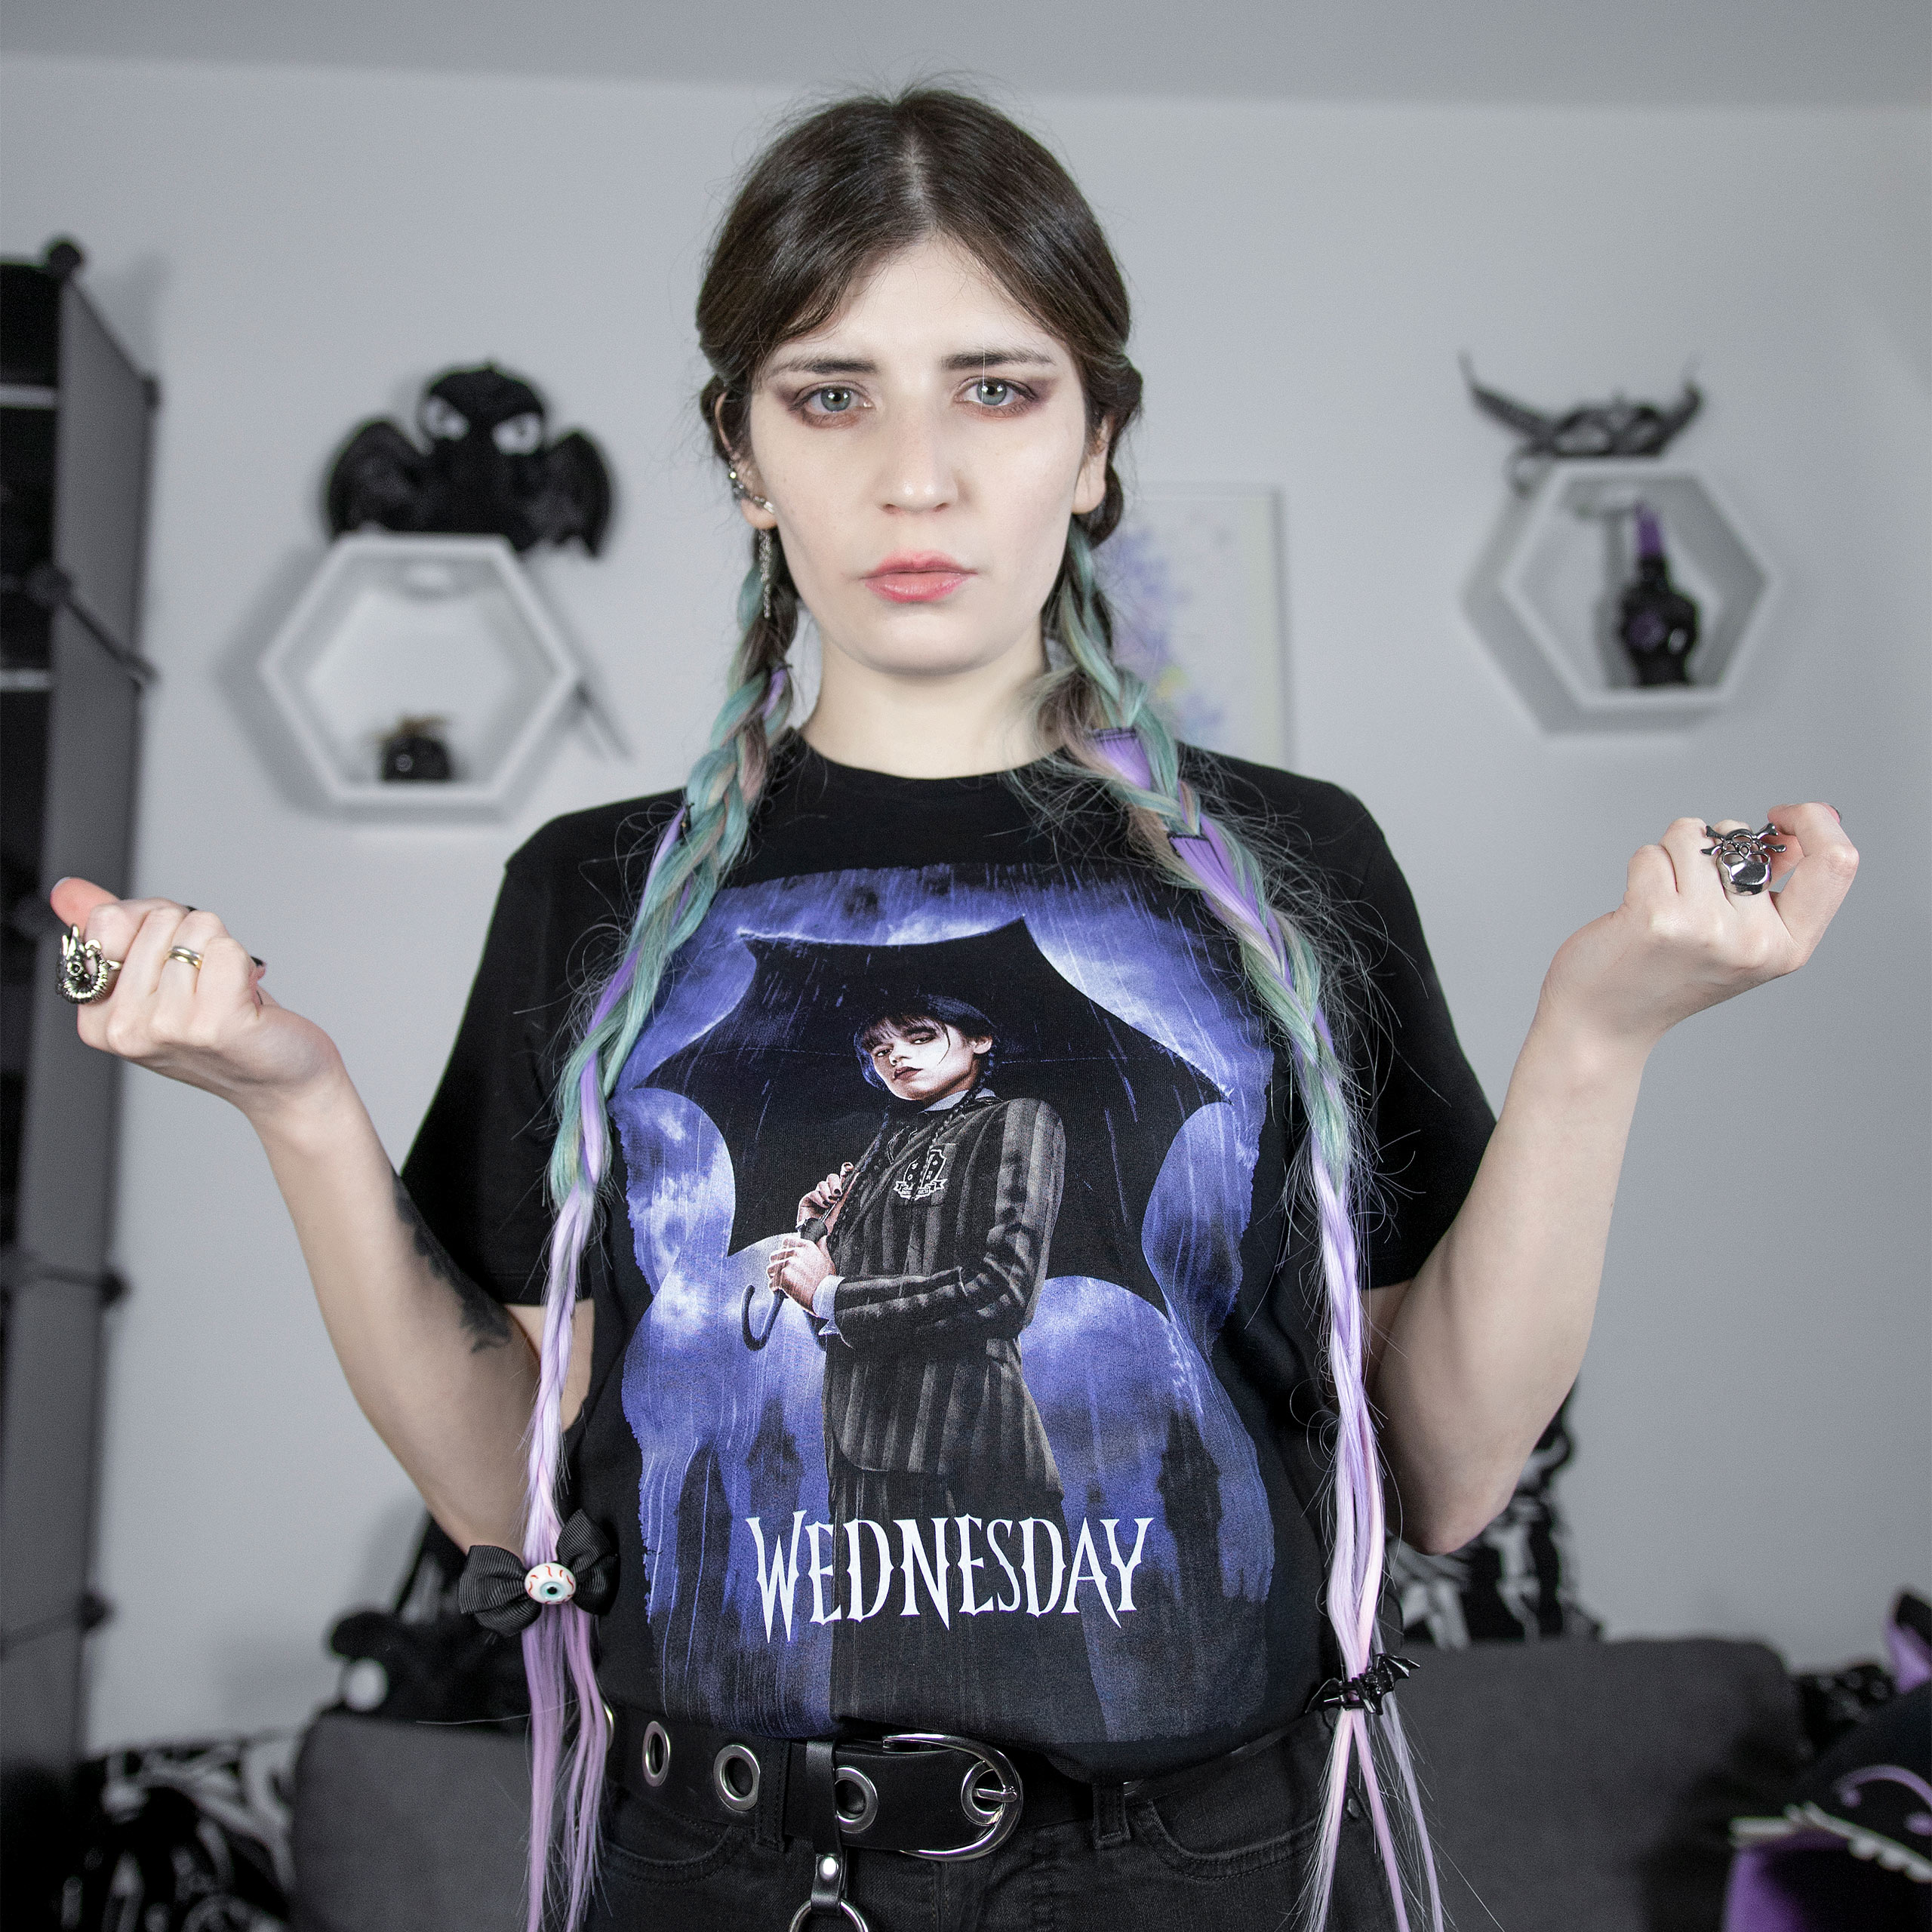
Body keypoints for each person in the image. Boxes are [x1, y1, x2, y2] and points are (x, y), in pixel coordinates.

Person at [52, 88, 1857, 1932]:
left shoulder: (1290, 862)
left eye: (994, 388)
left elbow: (1448, 1477)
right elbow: (497, 1494)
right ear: (744, 454)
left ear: (1094, 442)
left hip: (1197, 1869)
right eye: (830, 394)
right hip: (716, 1869)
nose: (913, 477)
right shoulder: (590, 890)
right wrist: (292, 1101)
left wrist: (1600, 1032)